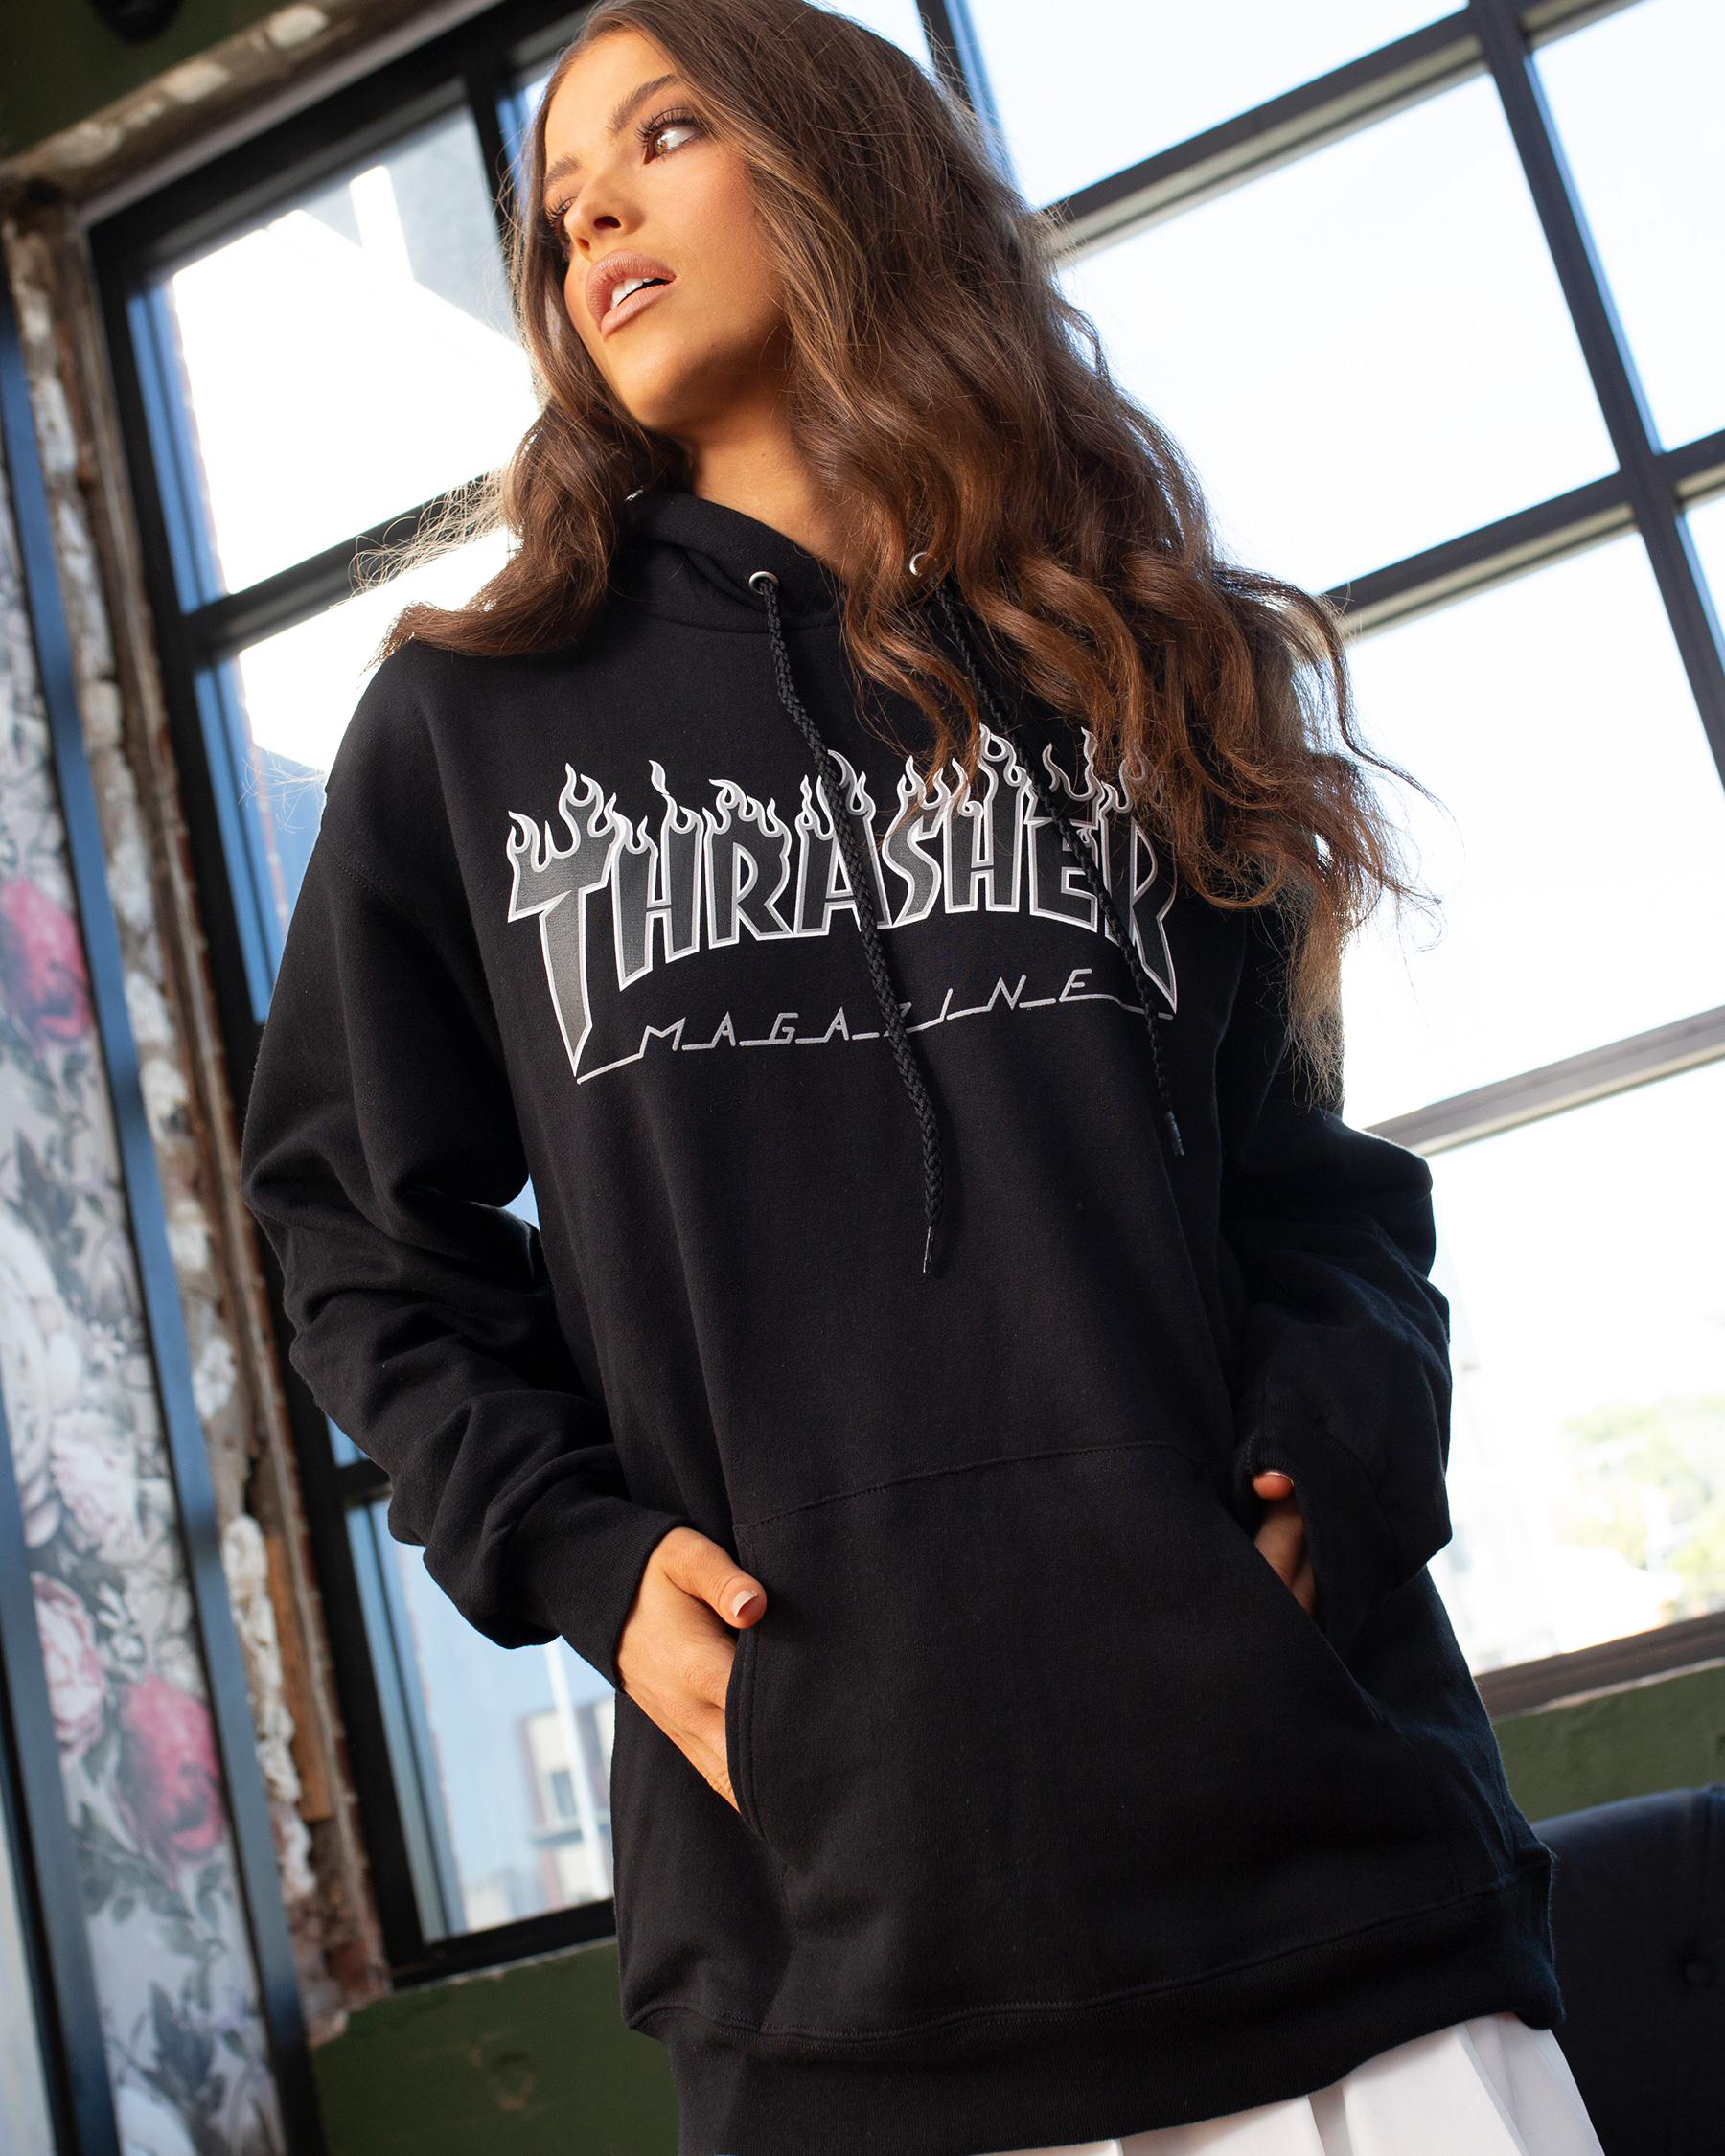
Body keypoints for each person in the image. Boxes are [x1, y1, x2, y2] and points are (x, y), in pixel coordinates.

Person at [238, 4, 1611, 2153]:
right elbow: (345, 1230)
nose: (587, 211)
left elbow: (1307, 1187)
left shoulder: (1133, 649)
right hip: (839, 1942)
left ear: (842, 167)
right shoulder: (467, 730)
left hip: (1337, 1893)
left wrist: (1338, 1450)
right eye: (557, 196)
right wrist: (571, 1550)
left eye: (661, 133)